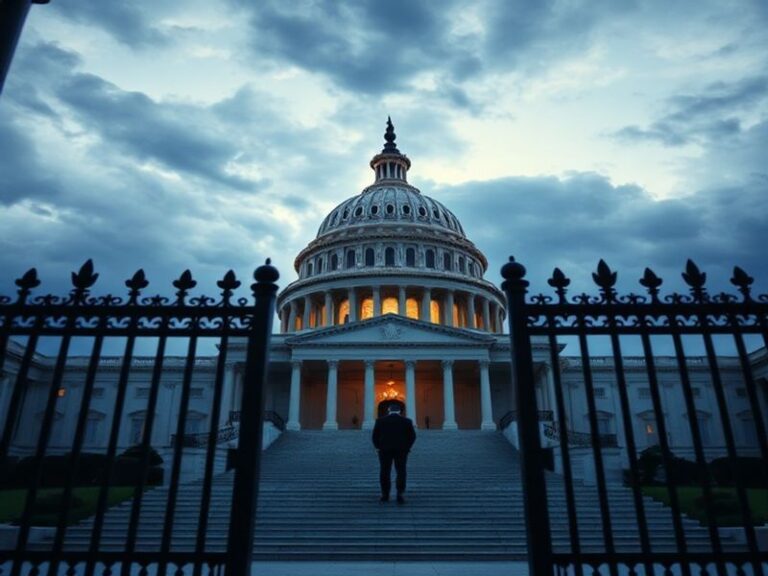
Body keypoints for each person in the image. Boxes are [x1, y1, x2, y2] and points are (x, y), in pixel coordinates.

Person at [372, 402, 416, 504]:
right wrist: (407, 447)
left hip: (384, 450)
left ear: (388, 410)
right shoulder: (407, 421)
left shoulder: (380, 421)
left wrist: (378, 447)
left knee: (384, 471)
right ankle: (400, 493)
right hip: (401, 450)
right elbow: (412, 436)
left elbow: (375, 436)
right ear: (400, 411)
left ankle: (385, 495)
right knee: (401, 471)